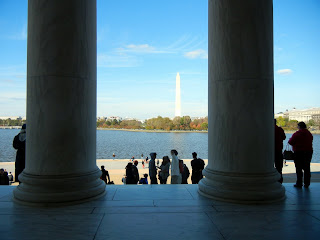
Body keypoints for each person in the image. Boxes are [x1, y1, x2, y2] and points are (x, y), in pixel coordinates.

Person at [288, 122, 313, 188]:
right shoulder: (309, 134)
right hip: (308, 152)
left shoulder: (297, 134)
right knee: (307, 168)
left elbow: (290, 142)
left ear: (299, 126)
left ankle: (299, 183)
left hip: (298, 152)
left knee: (299, 168)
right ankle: (307, 183)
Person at [275, 119, 286, 183]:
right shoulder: (279, 129)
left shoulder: (268, 129)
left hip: (269, 151)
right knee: (279, 167)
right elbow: (284, 137)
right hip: (278, 150)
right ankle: (280, 180)